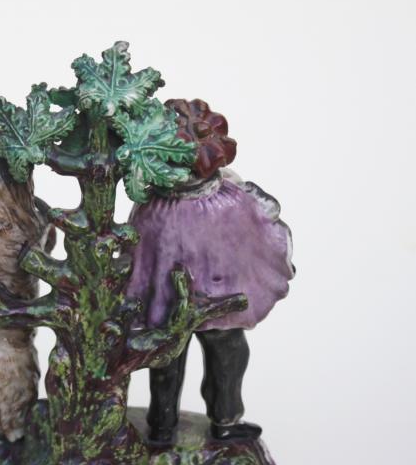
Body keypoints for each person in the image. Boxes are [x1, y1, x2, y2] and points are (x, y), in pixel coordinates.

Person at [125, 99, 295, 442]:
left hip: (218, 297)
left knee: (217, 353)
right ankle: (173, 425)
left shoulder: (216, 202)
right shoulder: (160, 210)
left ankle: (203, 421)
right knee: (176, 356)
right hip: (186, 298)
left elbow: (255, 234)